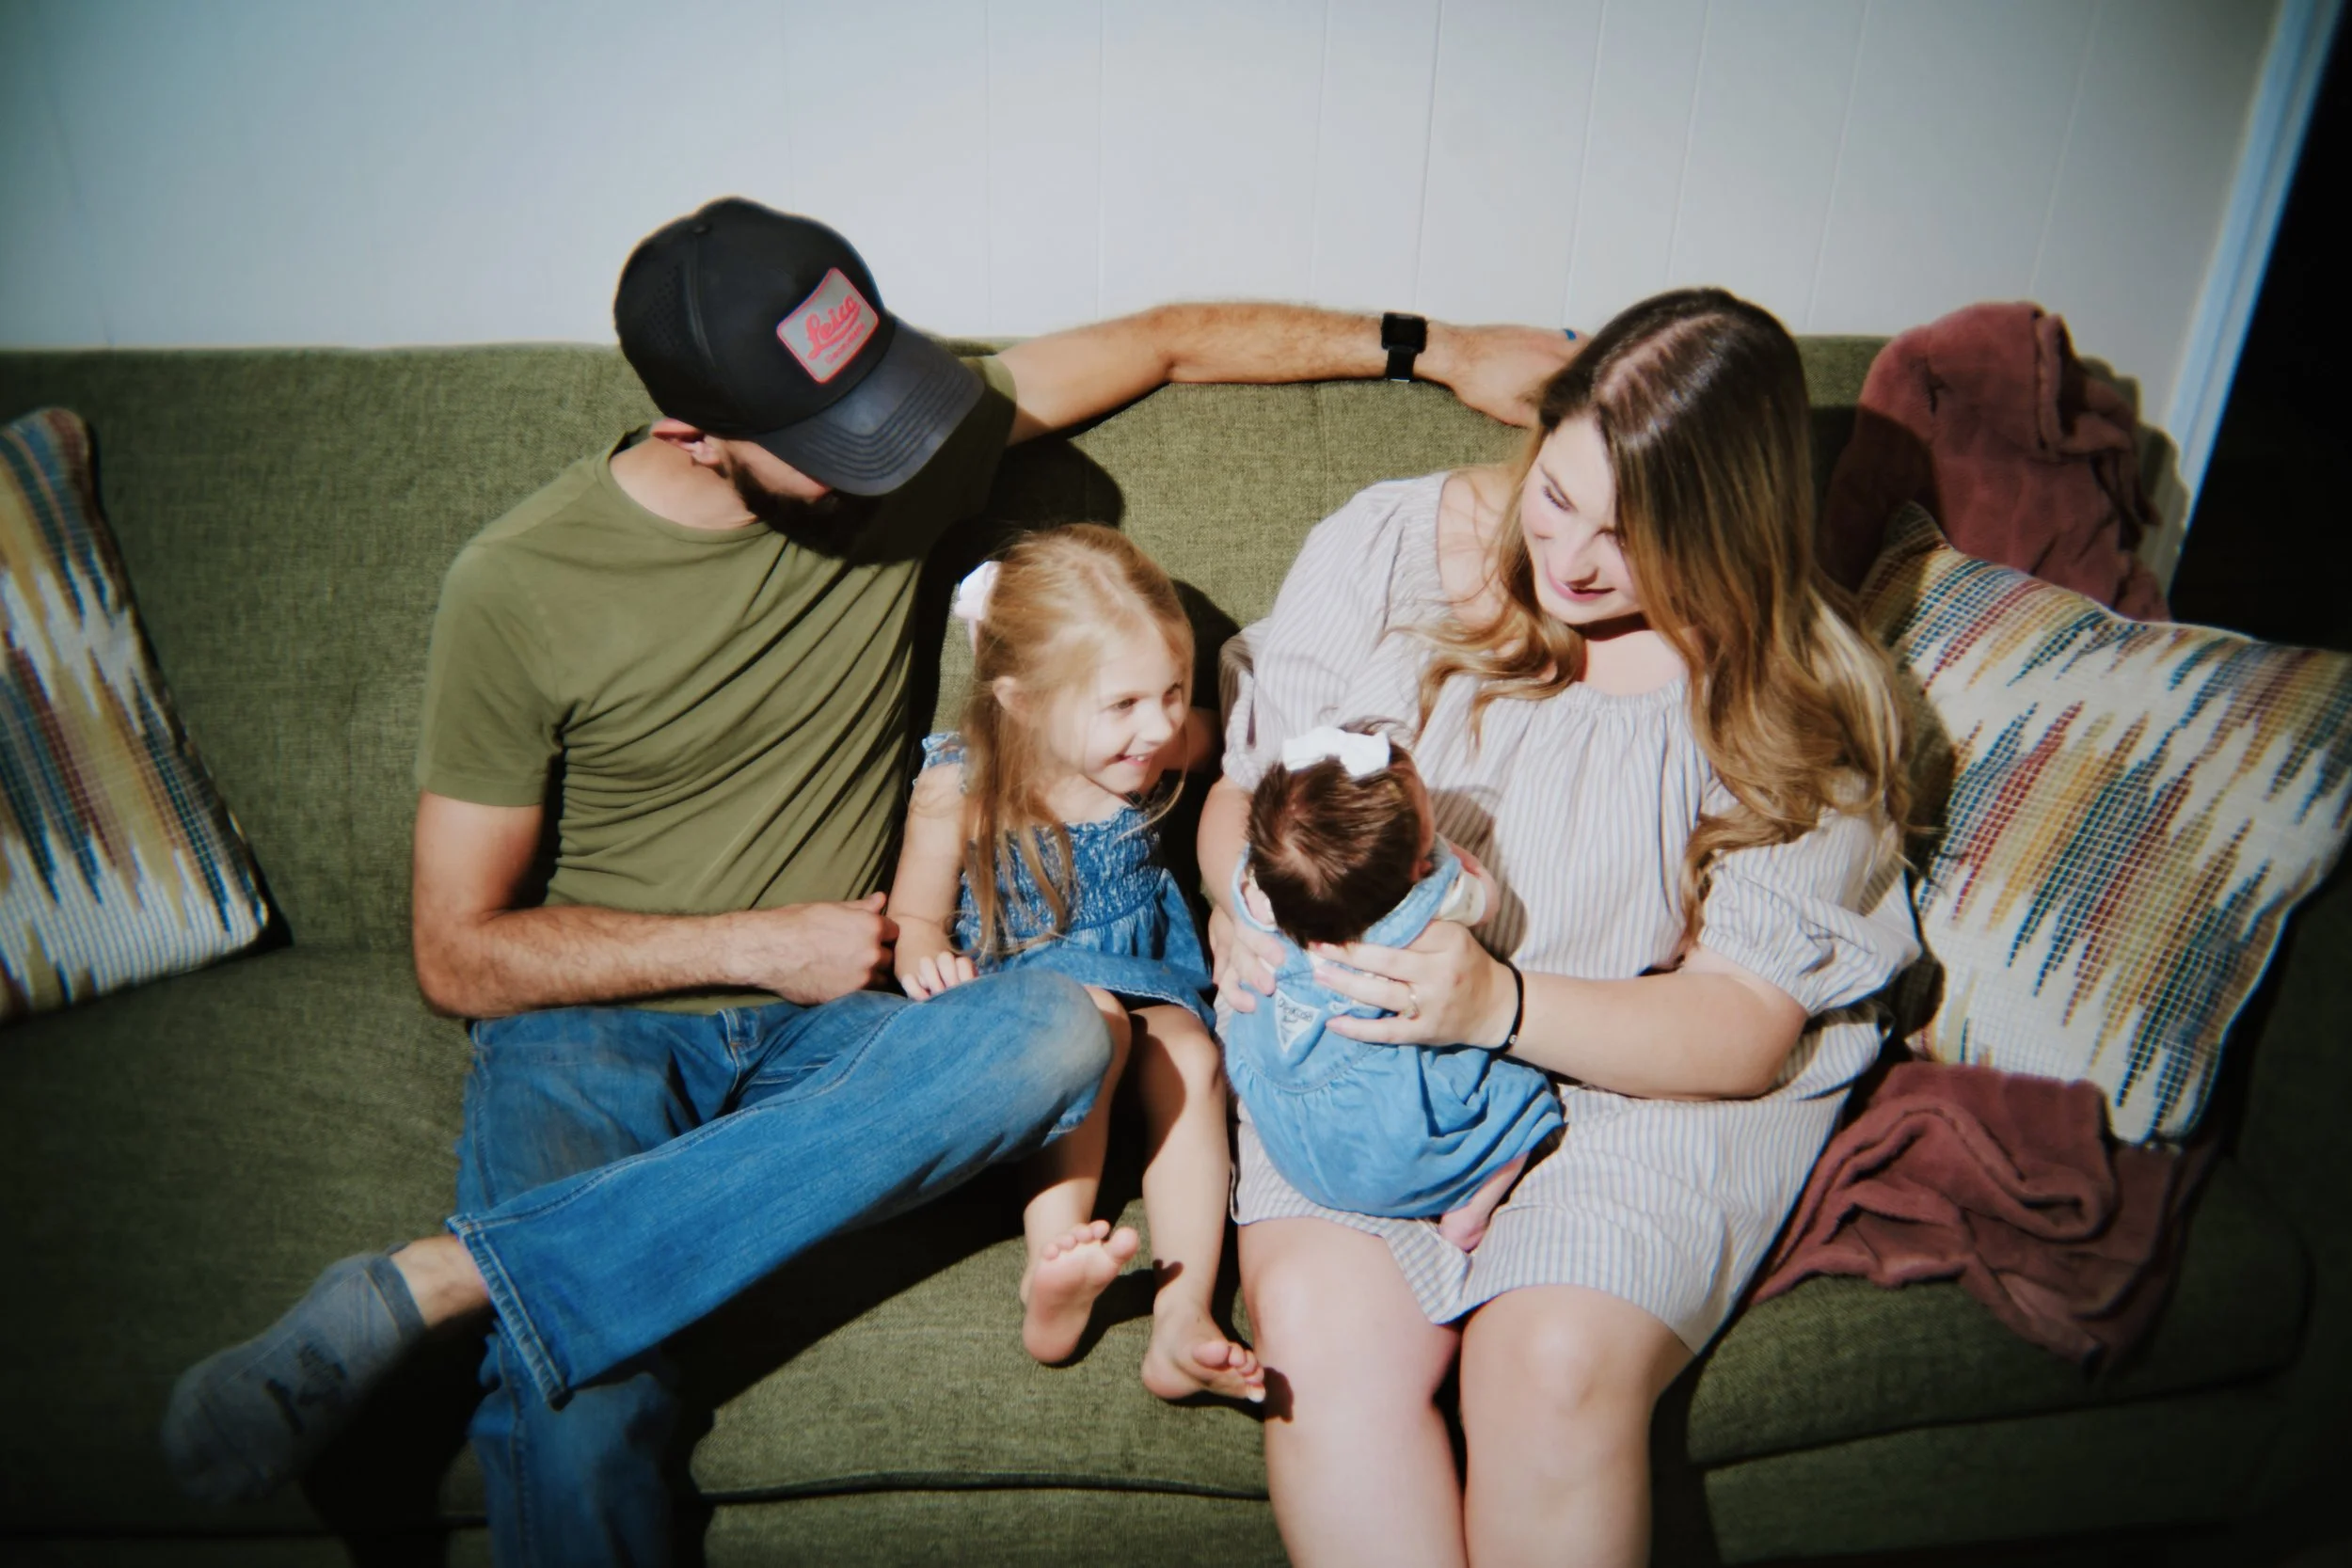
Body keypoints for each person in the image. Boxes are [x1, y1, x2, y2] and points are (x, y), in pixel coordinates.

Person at [157, 196, 1576, 1565]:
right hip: (599, 1033)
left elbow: (1164, 338)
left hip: (854, 1031)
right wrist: (753, 943)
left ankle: (449, 1276)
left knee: (1060, 1027)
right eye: (834, 444)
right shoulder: (518, 584)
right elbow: (457, 952)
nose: (886, 461)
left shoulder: (901, 452)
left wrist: (1438, 347)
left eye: (880, 409)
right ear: (694, 432)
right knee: (588, 1404)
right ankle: (485, 1288)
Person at [1200, 287, 1920, 1568]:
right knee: (1316, 1324)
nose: (1573, 560)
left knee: (1549, 1364)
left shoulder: (1794, 694)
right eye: (1557, 495)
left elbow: (1742, 1025)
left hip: (1642, 1084)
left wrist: (1502, 1005)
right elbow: (1248, 798)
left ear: (1729, 532)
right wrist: (1237, 907)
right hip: (1377, 1060)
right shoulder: (1394, 547)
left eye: (1632, 537)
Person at [888, 526, 1260, 1402]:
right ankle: (1051, 1271)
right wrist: (924, 952)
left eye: (1173, 691)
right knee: (1094, 1023)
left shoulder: (1154, 747)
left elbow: (1248, 752)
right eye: (1124, 702)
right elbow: (914, 915)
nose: (1160, 725)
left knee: (1192, 1053)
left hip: (1148, 976)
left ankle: (1183, 1316)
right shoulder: (961, 785)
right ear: (1020, 701)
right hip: (1031, 1011)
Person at [1225, 723, 1559, 1252]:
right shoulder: (1428, 906)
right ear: (1418, 867)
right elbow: (1486, 903)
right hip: (1389, 1148)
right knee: (1526, 1098)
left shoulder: (1257, 887)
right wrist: (1459, 866)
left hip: (1289, 1135)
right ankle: (1470, 1206)